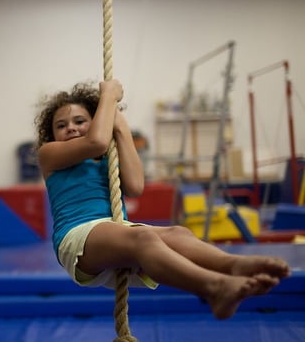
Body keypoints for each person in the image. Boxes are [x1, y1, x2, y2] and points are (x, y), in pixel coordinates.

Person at [34, 79, 290, 320]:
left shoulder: (104, 158)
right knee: (144, 238)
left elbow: (135, 186)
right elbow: (97, 141)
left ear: (97, 120)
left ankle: (232, 265)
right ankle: (214, 287)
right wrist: (109, 96)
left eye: (80, 120)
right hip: (77, 236)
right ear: (52, 134)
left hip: (114, 232)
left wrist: (121, 129)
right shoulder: (50, 154)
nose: (71, 127)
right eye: (61, 125)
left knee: (179, 234)